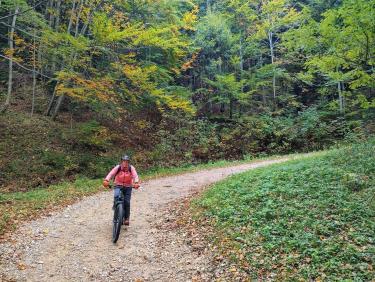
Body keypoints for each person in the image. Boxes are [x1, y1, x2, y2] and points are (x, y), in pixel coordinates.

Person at [103, 155, 140, 226]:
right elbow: (111, 173)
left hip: (128, 186)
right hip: (118, 185)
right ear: (121, 162)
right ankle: (116, 206)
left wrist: (136, 182)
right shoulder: (118, 167)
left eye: (126, 162)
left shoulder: (131, 168)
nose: (125, 163)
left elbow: (135, 176)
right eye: (123, 161)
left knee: (127, 202)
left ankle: (126, 218)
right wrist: (106, 180)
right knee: (116, 196)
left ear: (128, 162)